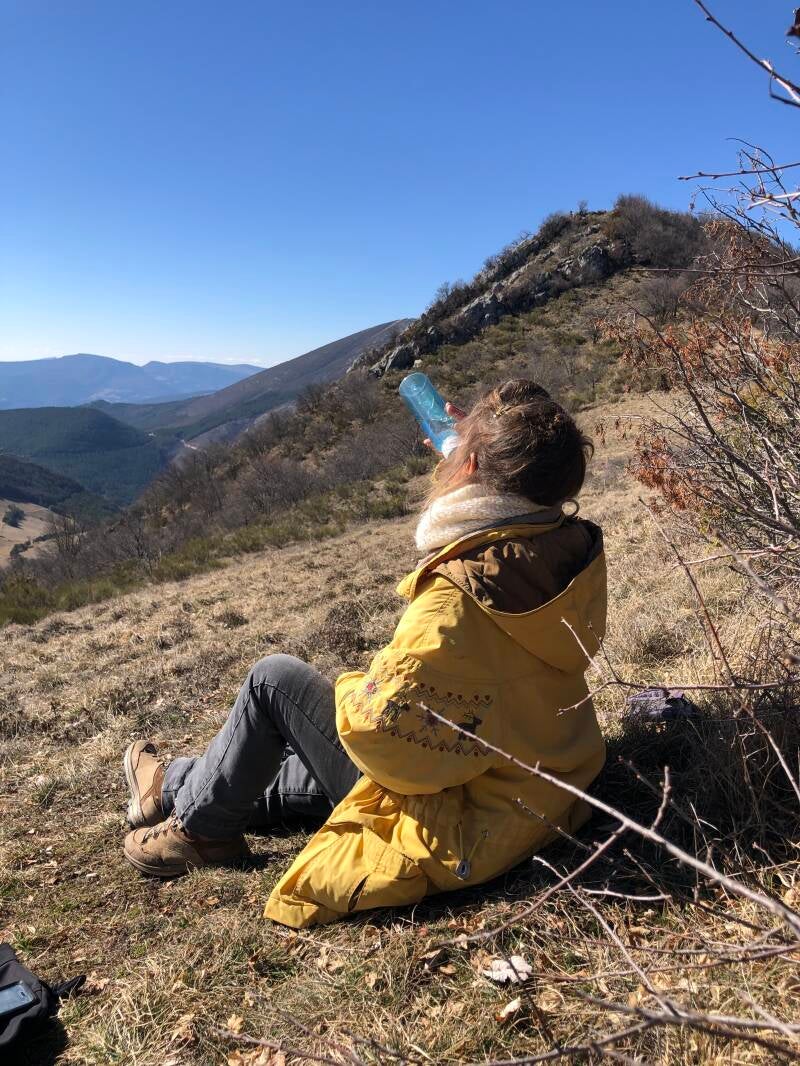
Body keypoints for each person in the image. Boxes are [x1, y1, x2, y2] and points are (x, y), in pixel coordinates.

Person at [122, 379, 607, 929]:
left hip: (465, 812)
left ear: (472, 470)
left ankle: (204, 832)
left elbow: (378, 737)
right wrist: (478, 448)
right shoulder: (563, 546)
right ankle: (176, 782)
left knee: (274, 681)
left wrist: (355, 686)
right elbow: (511, 485)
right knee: (282, 767)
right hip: (536, 777)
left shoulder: (457, 599)